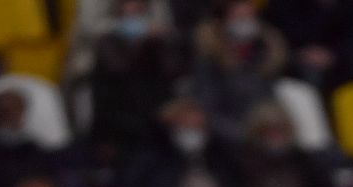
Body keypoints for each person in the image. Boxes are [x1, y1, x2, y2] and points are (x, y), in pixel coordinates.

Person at [87, 0, 190, 156]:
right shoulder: (108, 42)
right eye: (129, 5)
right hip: (120, 124)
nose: (134, 9)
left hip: (159, 122)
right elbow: (117, 75)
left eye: (138, 5)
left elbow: (173, 74)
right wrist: (138, 45)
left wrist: (161, 42)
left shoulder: (158, 42)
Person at [191, 0, 290, 140]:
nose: (244, 20)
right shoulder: (210, 58)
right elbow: (207, 107)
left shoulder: (266, 52)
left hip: (262, 130)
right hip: (226, 133)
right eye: (238, 16)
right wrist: (241, 134)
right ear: (223, 19)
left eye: (249, 16)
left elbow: (270, 101)